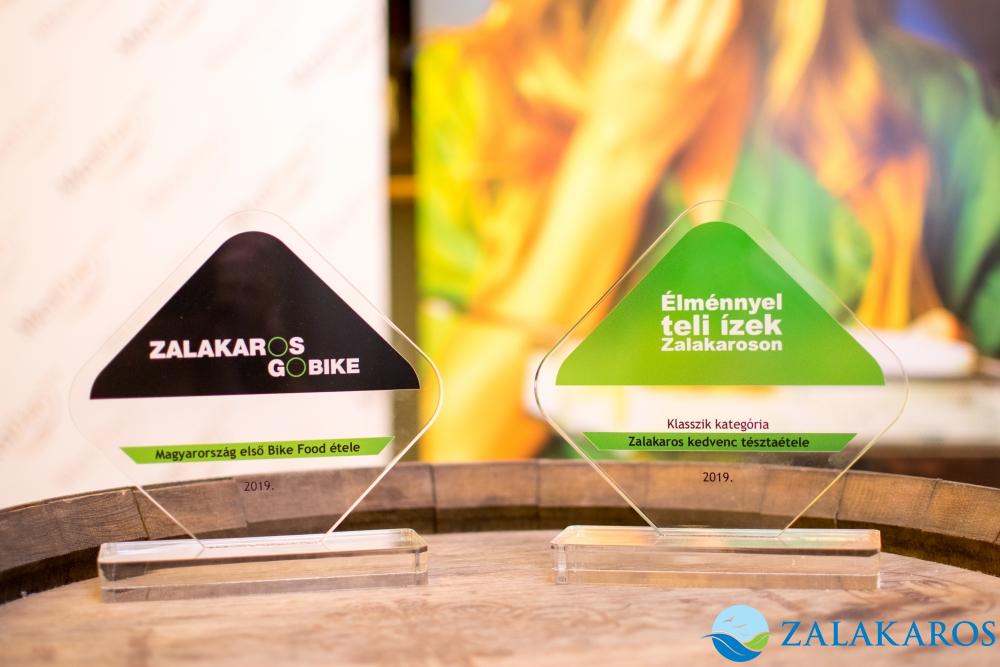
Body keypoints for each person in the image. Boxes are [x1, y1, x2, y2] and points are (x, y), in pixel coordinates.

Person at [417, 0, 999, 460]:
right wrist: (615, 154)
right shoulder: (469, 91)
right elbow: (461, 453)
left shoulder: (939, 106)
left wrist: (940, 407)